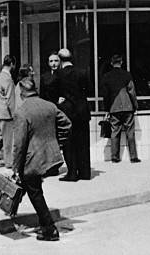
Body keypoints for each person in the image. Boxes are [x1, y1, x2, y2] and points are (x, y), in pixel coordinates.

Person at [13, 77, 72, 242]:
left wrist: (15, 168)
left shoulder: (22, 112)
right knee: (35, 188)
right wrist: (56, 143)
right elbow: (67, 124)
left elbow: (19, 144)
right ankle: (44, 224)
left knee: (34, 191)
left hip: (32, 160)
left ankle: (49, 228)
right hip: (50, 156)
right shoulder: (50, 105)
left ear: (22, 92)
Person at [56, 48, 91, 181]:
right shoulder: (82, 73)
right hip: (82, 111)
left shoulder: (58, 74)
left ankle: (72, 173)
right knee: (83, 142)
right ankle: (85, 172)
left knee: (69, 143)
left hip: (68, 112)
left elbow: (56, 92)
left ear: (60, 60)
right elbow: (88, 90)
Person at [101, 54, 140, 163]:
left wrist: (107, 109)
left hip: (114, 108)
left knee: (115, 132)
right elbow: (132, 91)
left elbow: (106, 95)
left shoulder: (107, 76)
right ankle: (133, 157)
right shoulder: (127, 75)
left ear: (111, 63)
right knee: (130, 132)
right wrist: (135, 105)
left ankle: (115, 157)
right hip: (127, 107)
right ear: (121, 62)